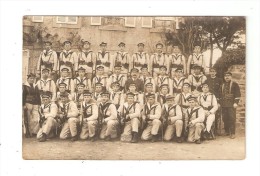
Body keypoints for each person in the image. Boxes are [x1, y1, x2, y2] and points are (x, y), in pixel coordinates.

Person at [220, 72, 241, 139]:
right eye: (225, 76)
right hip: (224, 104)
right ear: (224, 77)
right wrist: (219, 103)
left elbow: (238, 94)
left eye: (228, 76)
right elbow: (220, 94)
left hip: (231, 104)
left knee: (232, 118)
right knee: (225, 118)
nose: (227, 77)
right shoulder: (222, 84)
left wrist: (236, 103)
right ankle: (227, 131)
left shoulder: (235, 84)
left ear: (231, 77)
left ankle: (232, 133)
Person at [206, 67, 223, 135]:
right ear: (209, 73)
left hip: (217, 98)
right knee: (210, 113)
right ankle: (209, 129)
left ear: (216, 72)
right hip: (209, 99)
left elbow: (221, 90)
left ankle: (216, 129)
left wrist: (219, 98)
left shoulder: (219, 80)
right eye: (211, 71)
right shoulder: (207, 80)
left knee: (217, 114)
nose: (212, 73)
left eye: (214, 71)